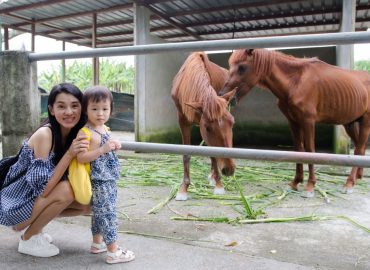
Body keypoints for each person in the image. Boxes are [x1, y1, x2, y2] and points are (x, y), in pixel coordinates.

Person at [0, 82, 90, 257]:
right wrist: (70, 154)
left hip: (32, 201)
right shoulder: (45, 135)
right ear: (51, 109)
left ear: (82, 108)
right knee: (66, 191)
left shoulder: (76, 133)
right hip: (16, 205)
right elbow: (45, 188)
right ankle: (28, 238)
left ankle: (37, 227)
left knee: (85, 205)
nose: (69, 112)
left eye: (74, 106)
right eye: (61, 106)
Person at [76, 85, 135, 264]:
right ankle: (113, 251)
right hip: (99, 180)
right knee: (107, 213)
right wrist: (102, 149)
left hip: (109, 178)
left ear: (111, 109)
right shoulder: (86, 132)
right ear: (86, 110)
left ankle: (97, 243)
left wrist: (113, 144)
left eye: (105, 109)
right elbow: (81, 157)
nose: (100, 113)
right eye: (94, 109)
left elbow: (106, 145)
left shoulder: (104, 128)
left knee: (99, 212)